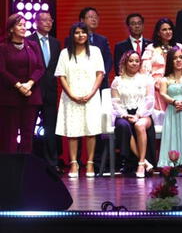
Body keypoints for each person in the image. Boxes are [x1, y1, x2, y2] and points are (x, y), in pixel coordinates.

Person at [55, 22, 105, 178]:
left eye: (83, 32)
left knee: (90, 130)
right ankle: (74, 163)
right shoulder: (65, 53)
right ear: (72, 35)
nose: (80, 35)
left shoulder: (95, 51)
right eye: (77, 33)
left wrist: (91, 93)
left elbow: (100, 74)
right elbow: (61, 76)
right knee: (73, 130)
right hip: (71, 97)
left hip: (91, 96)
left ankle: (90, 163)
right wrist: (71, 95)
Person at [0, 13, 45, 154]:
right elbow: (2, 70)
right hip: (10, 97)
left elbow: (40, 67)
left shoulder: (33, 45)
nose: (24, 28)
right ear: (11, 29)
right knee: (10, 136)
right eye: (20, 25)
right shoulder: (3, 47)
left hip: (30, 96)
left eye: (25, 25)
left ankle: (25, 170)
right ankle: (9, 170)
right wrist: (19, 86)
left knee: (27, 135)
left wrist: (29, 84)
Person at [111, 50, 156, 178]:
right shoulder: (117, 81)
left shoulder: (146, 80)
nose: (134, 63)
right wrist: (124, 115)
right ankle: (144, 161)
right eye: (131, 61)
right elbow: (115, 103)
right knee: (123, 126)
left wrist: (138, 115)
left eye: (137, 61)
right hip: (124, 114)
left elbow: (149, 100)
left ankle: (141, 163)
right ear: (125, 62)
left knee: (139, 125)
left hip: (143, 113)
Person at [27, 11, 62, 171]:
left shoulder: (56, 43)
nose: (48, 23)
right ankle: (30, 161)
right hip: (33, 90)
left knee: (51, 127)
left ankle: (52, 163)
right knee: (30, 126)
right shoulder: (28, 41)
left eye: (50, 20)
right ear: (36, 22)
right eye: (44, 20)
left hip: (51, 91)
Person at [141, 18, 182, 116]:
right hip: (157, 90)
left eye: (170, 29)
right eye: (164, 30)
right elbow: (145, 73)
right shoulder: (150, 49)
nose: (168, 32)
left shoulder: (180, 48)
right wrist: (157, 85)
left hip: (176, 88)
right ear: (158, 33)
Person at [73, 7, 113, 90]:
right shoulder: (73, 39)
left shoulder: (102, 40)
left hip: (101, 83)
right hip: (80, 82)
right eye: (91, 17)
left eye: (96, 17)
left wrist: (100, 75)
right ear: (82, 20)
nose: (94, 20)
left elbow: (108, 60)